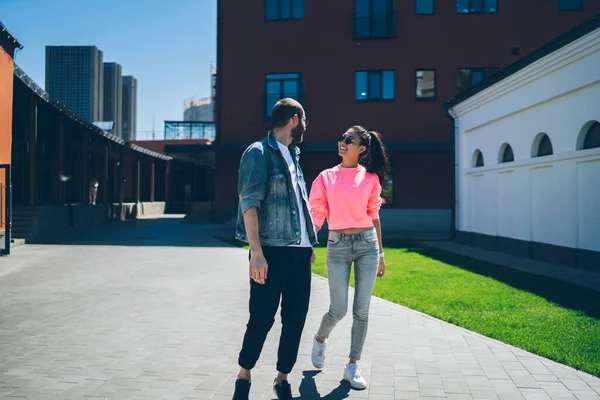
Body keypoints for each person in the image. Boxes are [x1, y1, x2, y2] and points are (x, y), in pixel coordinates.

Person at [233, 98, 318, 400]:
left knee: (295, 317)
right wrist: (256, 252)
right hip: (271, 250)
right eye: (305, 119)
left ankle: (283, 376)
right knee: (262, 317)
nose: (307, 124)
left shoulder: (294, 155)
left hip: (299, 251)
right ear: (295, 119)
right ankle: (244, 373)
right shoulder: (258, 153)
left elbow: (298, 204)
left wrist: (308, 241)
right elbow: (249, 203)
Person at [308, 125, 390, 390]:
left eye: (349, 140)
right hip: (337, 244)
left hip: (367, 244)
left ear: (362, 149)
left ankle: (352, 365)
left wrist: (380, 253)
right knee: (339, 309)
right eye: (342, 138)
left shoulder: (371, 178)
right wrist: (309, 241)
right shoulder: (326, 177)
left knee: (362, 311)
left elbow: (374, 216)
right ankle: (321, 339)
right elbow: (317, 211)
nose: (342, 142)